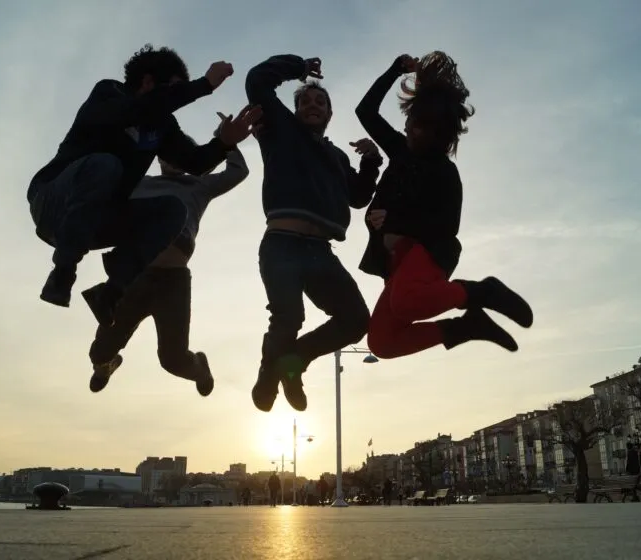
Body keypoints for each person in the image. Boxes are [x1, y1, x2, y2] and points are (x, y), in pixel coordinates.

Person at [28, 43, 260, 326]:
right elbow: (137, 109)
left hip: (97, 221)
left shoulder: (161, 126)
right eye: (172, 90)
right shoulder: (109, 93)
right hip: (53, 202)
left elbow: (194, 162)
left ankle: (111, 294)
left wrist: (224, 143)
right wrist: (203, 85)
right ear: (148, 81)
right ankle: (63, 272)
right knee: (106, 164)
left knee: (173, 210)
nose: (174, 100)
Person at [354, 53, 533, 360]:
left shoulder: (443, 172)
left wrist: (395, 221)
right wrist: (395, 70)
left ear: (440, 135)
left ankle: (482, 291)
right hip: (395, 264)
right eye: (411, 121)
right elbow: (365, 111)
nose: (410, 129)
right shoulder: (400, 150)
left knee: (404, 303)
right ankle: (466, 327)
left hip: (431, 254)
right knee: (381, 343)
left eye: (421, 127)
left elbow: (448, 228)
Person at [245, 54, 382, 412]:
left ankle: (292, 363)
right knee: (288, 317)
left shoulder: (337, 157)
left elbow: (358, 197)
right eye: (304, 101)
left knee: (356, 320)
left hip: (320, 252)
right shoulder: (281, 130)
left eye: (320, 101)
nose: (312, 105)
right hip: (281, 245)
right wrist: (298, 68)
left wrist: (370, 162)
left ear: (329, 114)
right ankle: (268, 373)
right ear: (295, 110)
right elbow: (257, 81)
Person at [84, 118, 251, 393]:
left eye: (181, 155)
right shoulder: (140, 184)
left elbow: (237, 172)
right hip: (134, 278)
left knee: (172, 360)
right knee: (99, 352)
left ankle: (199, 367)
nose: (174, 160)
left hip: (172, 282)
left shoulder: (199, 186)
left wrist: (226, 139)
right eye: (168, 154)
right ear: (159, 158)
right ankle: (107, 364)